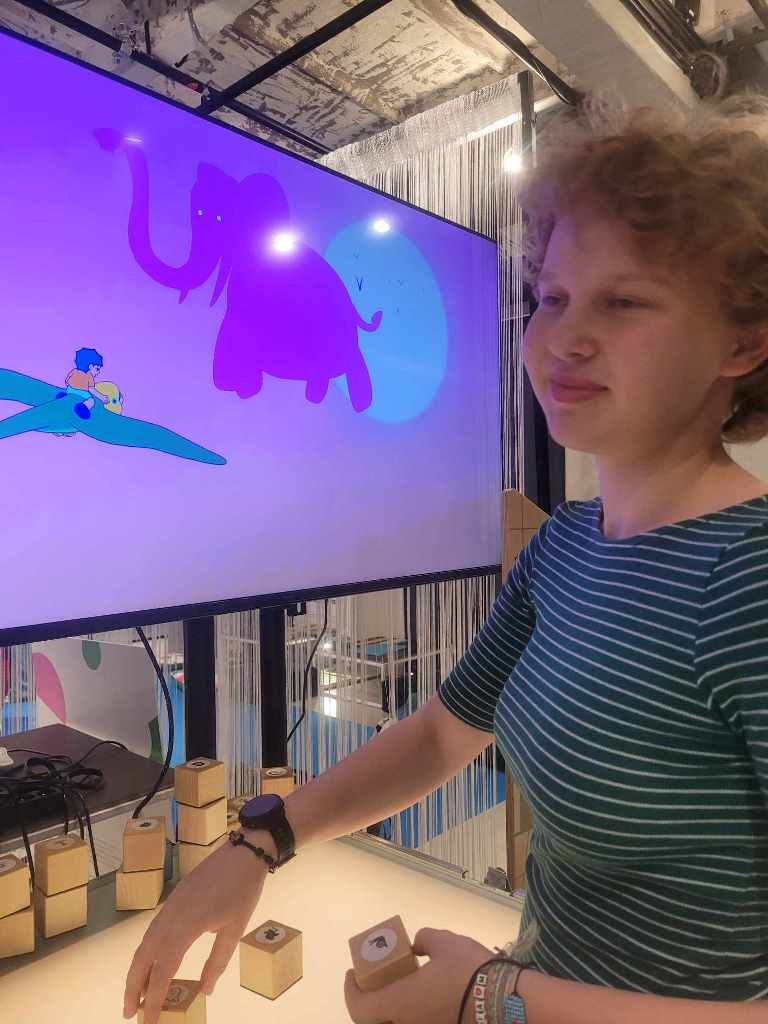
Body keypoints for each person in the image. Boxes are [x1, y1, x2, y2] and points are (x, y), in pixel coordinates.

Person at [123, 83, 768, 1024]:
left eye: (625, 301)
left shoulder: (748, 577)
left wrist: (489, 997)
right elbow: (440, 734)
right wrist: (258, 845)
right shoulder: (566, 547)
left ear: (742, 343)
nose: (565, 338)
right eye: (553, 298)